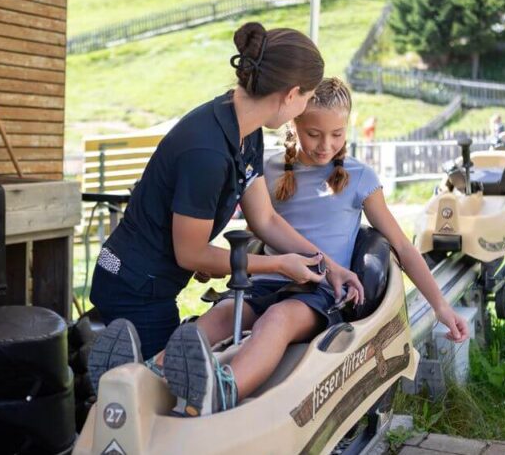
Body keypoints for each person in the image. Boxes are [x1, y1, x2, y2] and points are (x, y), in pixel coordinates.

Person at [119, 78, 470, 417]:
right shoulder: (269, 169)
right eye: (314, 134)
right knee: (222, 313)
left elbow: (403, 247)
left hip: (319, 289)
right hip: (267, 279)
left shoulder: (360, 178)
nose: (325, 145)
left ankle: (224, 389)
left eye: (337, 134)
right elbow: (258, 227)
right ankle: (148, 374)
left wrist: (441, 306)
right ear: (293, 123)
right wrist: (213, 258)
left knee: (277, 319)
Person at [87, 23, 364, 391]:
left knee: (170, 381)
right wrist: (278, 264)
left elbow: (265, 219)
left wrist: (328, 267)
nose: (303, 107)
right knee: (161, 393)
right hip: (134, 285)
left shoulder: (246, 131)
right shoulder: (208, 150)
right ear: (291, 94)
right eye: (307, 98)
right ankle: (113, 384)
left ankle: (119, 378)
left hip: (152, 281)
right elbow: (191, 254)